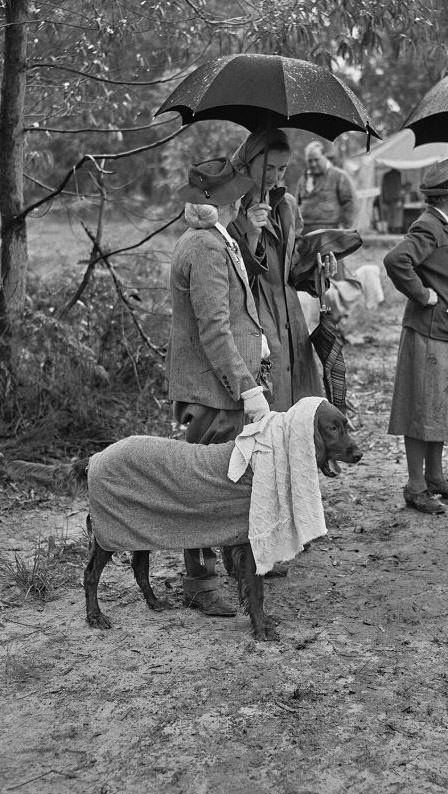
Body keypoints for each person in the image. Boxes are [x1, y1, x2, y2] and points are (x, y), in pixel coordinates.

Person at [167, 157, 270, 616]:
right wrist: (246, 387)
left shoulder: (217, 238)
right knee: (205, 486)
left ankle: (221, 568)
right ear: (222, 200)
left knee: (219, 481)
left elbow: (235, 309)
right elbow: (213, 327)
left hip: (219, 385)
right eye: (235, 189)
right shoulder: (205, 247)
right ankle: (199, 580)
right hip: (214, 389)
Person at [384, 158, 448, 514]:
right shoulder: (429, 226)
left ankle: (436, 476)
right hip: (429, 332)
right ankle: (415, 485)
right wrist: (424, 295)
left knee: (439, 406)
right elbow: (396, 261)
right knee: (422, 408)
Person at [229, 127, 323, 413]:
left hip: (292, 322)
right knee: (269, 410)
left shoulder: (288, 205)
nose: (275, 177)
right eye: (268, 167)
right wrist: (251, 233)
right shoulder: (230, 206)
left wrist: (319, 271)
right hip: (256, 319)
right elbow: (230, 277)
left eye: (281, 169)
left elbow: (292, 269)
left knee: (301, 409)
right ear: (248, 162)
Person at [295, 140, 358, 235]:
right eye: (310, 161)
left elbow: (350, 204)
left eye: (316, 160)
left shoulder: (339, 176)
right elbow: (296, 205)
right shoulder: (303, 179)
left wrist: (345, 229)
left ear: (325, 157)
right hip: (305, 232)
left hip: (330, 231)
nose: (313, 164)